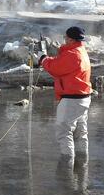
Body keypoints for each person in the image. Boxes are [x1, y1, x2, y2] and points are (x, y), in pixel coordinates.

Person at [39, 26, 92, 161]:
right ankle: (82, 166)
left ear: (70, 39)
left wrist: (43, 60)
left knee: (64, 132)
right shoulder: (81, 51)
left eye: (65, 37)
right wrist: (47, 59)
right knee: (80, 133)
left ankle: (67, 168)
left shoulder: (73, 54)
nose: (64, 39)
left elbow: (55, 68)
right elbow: (60, 63)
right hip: (83, 97)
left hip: (71, 99)